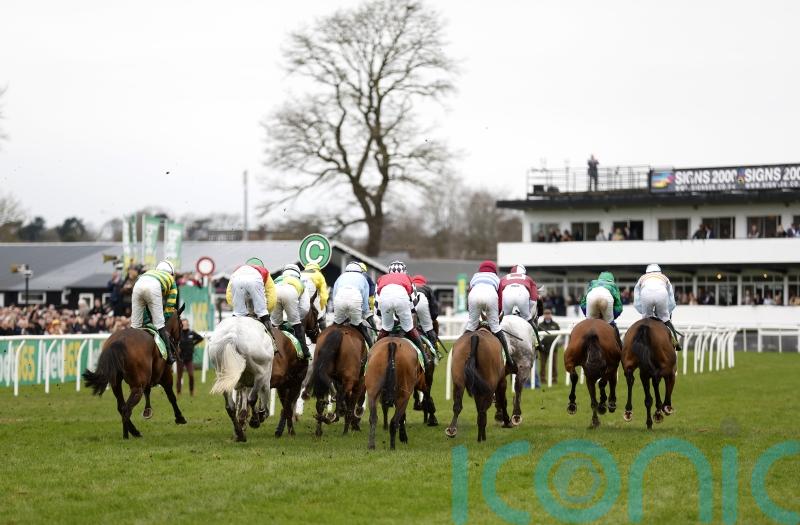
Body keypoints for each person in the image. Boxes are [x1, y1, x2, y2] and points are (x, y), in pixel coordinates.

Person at [464, 260, 517, 373]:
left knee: (471, 326)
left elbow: (469, 292)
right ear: (494, 270)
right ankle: (509, 359)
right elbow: (500, 299)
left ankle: (458, 349)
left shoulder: (475, 276)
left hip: (473, 296)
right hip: (491, 296)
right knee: (496, 328)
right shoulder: (497, 279)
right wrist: (498, 313)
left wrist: (471, 312)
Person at [130, 260, 179, 364]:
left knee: (135, 325)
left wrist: (147, 320)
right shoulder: (171, 280)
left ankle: (129, 351)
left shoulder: (149, 272)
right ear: (171, 273)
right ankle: (170, 356)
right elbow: (170, 306)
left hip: (138, 285)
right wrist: (164, 318)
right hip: (153, 287)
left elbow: (144, 306)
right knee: (159, 324)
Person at [375, 261, 425, 351]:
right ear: (404, 271)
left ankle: (372, 351)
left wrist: (387, 321)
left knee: (386, 327)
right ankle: (425, 356)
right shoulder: (408, 278)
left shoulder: (381, 279)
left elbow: (377, 309)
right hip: (401, 300)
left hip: (384, 300)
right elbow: (414, 306)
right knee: (409, 327)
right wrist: (405, 316)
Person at [634, 264, 680, 350]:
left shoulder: (642, 278)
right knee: (665, 319)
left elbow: (636, 301)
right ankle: (675, 342)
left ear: (647, 271)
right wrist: (665, 313)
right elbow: (672, 302)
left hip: (645, 294)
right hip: (662, 294)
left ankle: (640, 342)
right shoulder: (664, 277)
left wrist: (643, 311)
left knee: (645, 320)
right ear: (659, 271)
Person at [499, 264, 544, 352]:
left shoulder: (504, 277)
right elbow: (533, 299)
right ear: (524, 272)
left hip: (506, 295)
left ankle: (496, 339)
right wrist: (527, 313)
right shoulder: (528, 278)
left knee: (503, 320)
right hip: (522, 295)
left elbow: (499, 294)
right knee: (529, 320)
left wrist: (500, 311)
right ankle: (538, 342)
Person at [271, 264, 310, 359]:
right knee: (296, 324)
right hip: (290, 293)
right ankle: (304, 352)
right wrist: (295, 319)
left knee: (275, 325)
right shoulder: (300, 282)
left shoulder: (277, 278)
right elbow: (305, 308)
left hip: (274, 290)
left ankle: (272, 347)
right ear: (298, 274)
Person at [226, 257, 276, 331]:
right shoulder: (265, 272)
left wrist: (236, 307)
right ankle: (272, 335)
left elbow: (229, 295)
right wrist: (266, 311)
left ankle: (231, 330)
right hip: (255, 279)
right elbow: (272, 296)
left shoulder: (238, 270)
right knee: (262, 311)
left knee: (238, 313)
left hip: (237, 279)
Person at [331, 262, 373, 344]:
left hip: (339, 299)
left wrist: (336, 310)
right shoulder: (363, 278)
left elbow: (334, 295)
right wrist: (365, 312)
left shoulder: (340, 277)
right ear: (360, 271)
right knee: (360, 326)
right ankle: (371, 348)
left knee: (335, 325)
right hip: (355, 300)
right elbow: (365, 301)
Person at [580, 271, 624, 348]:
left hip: (591, 297)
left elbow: (583, 303)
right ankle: (617, 347)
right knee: (610, 325)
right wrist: (611, 318)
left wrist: (587, 316)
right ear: (612, 280)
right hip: (607, 297)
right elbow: (619, 308)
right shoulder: (613, 285)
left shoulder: (593, 283)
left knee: (589, 324)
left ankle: (583, 346)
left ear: (599, 278)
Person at [411, 274, 439, 348]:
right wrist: (431, 320)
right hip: (421, 304)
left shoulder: (409, 286)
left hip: (408, 306)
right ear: (424, 283)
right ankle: (434, 348)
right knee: (428, 327)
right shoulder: (427, 288)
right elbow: (434, 312)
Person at [177, 318, 203, 396]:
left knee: (191, 375)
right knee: (179, 376)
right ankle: (178, 392)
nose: (185, 325)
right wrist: (177, 348)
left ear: (188, 324)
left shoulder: (191, 333)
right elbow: (173, 341)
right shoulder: (178, 333)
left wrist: (193, 344)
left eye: (186, 324)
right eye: (183, 324)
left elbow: (200, 338)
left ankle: (191, 391)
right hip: (180, 359)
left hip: (189, 359)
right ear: (181, 325)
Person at [300, 262, 330, 332]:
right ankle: (323, 331)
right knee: (321, 313)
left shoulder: (300, 273)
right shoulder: (318, 274)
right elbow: (324, 295)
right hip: (311, 299)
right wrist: (323, 307)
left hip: (300, 299)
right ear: (318, 269)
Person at [538, 309, 560, 385]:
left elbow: (559, 335)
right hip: (543, 349)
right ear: (544, 315)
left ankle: (554, 379)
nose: (547, 315)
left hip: (554, 349)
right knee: (542, 365)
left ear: (551, 315)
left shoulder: (556, 325)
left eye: (549, 314)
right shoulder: (540, 325)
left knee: (554, 365)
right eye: (546, 314)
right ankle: (542, 379)